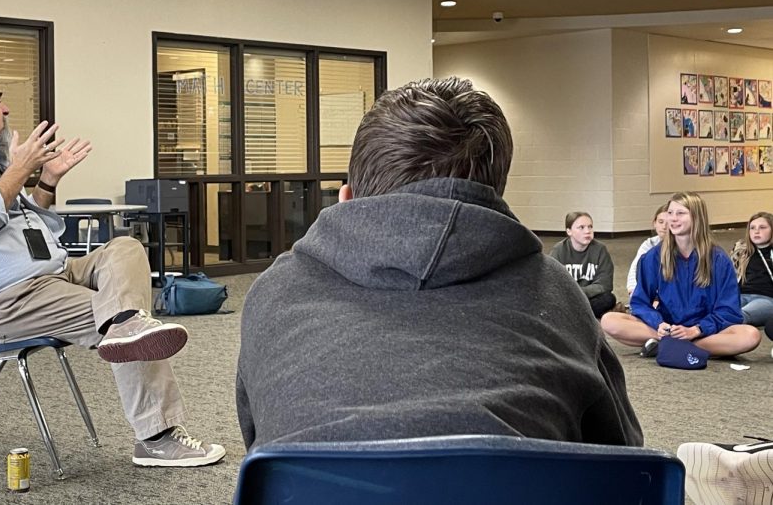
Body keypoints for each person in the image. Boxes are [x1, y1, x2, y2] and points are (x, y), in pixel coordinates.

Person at [236, 77, 642, 450]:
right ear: (496, 200)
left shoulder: (275, 292)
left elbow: (261, 442)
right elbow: (622, 455)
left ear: (346, 198)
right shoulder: (557, 294)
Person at [0, 71, 224, 467]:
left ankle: (126, 323)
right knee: (124, 321)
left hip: (47, 277)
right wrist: (19, 170)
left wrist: (48, 180)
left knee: (124, 249)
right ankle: (156, 437)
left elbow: (24, 224)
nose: (5, 108)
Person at [601, 192, 761, 359]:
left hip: (704, 330)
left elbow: (729, 311)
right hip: (667, 327)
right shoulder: (654, 256)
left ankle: (681, 346)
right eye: (670, 213)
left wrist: (697, 329)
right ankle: (675, 343)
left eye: (680, 213)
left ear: (696, 217)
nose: (673, 219)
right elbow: (640, 303)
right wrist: (659, 324)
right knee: (609, 320)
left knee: (751, 335)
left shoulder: (719, 260)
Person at [548, 212, 620, 318]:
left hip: (589, 297)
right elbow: (551, 282)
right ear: (569, 231)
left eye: (590, 227)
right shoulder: (559, 251)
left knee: (608, 299)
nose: (587, 231)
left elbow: (605, 285)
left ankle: (569, 315)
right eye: (581, 227)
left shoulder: (600, 250)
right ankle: (582, 315)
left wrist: (579, 292)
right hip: (567, 297)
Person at [729, 212, 773, 327]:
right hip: (740, 295)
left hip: (766, 298)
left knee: (740, 315)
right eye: (752, 228)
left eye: (762, 227)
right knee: (722, 311)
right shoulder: (740, 252)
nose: (756, 231)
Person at [625, 204, 668, 295]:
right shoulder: (648, 244)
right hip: (649, 293)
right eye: (660, 222)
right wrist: (633, 291)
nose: (664, 227)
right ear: (654, 223)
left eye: (668, 223)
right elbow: (635, 268)